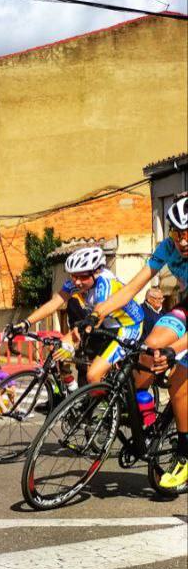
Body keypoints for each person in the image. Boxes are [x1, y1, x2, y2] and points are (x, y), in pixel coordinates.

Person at [90, 197, 188, 491]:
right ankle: (150, 424)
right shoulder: (167, 248)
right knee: (150, 350)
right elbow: (132, 288)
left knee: (180, 380)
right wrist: (98, 312)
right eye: (177, 233)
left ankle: (184, 455)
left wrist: (176, 350)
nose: (183, 241)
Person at [10, 246, 142, 386]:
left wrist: (77, 336)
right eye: (74, 276)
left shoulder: (105, 283)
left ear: (96, 272)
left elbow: (99, 313)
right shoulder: (78, 283)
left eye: (83, 276)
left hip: (128, 327)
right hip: (106, 324)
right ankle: (71, 391)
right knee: (58, 349)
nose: (77, 282)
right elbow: (55, 302)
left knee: (93, 376)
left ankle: (106, 402)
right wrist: (26, 323)